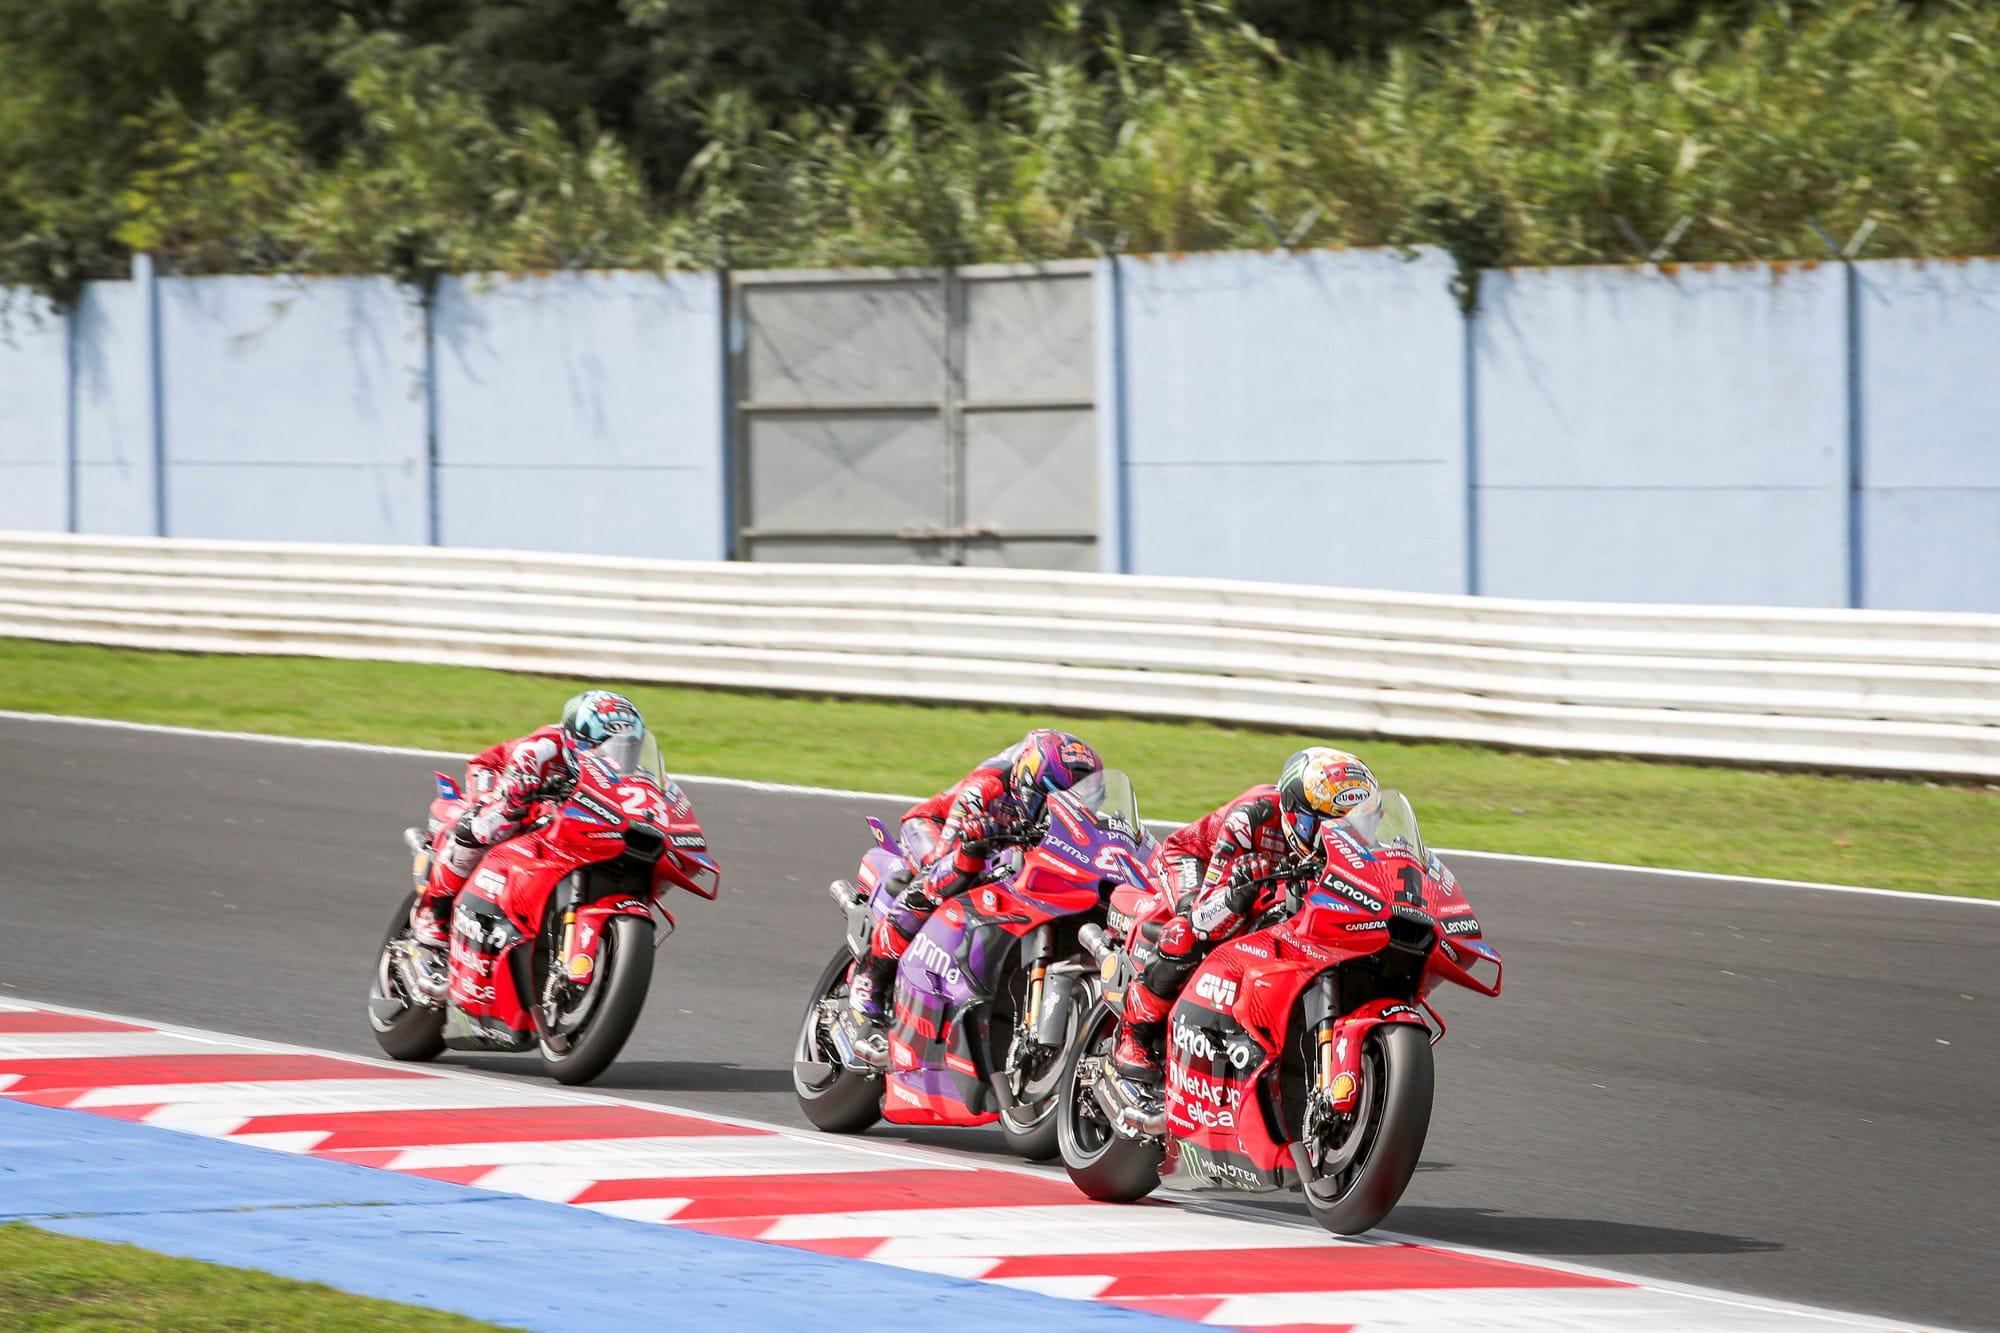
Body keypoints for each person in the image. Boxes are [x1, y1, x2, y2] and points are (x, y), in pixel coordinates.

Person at [1110, 746, 1381, 1083]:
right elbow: (1203, 917)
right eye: (1322, 826)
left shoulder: (1359, 846)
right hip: (1195, 863)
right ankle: (1132, 1035)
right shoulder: (1251, 818)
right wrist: (1236, 894)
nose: (1335, 839)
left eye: (1357, 824)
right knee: (1188, 932)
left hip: (1274, 881)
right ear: (1293, 812)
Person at [839, 728, 1105, 1062]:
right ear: (1028, 783)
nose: (1060, 808)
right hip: (936, 827)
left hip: (1008, 844)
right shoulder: (986, 787)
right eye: (1053, 798)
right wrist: (973, 840)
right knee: (946, 876)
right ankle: (870, 977)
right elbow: (948, 853)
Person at [409, 690, 648, 949]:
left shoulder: (635, 773)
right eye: (604, 748)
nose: (615, 758)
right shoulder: (542, 748)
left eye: (628, 749)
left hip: (558, 802)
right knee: (492, 823)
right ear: (577, 740)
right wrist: (520, 790)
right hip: (498, 772)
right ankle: (433, 911)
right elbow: (514, 787)